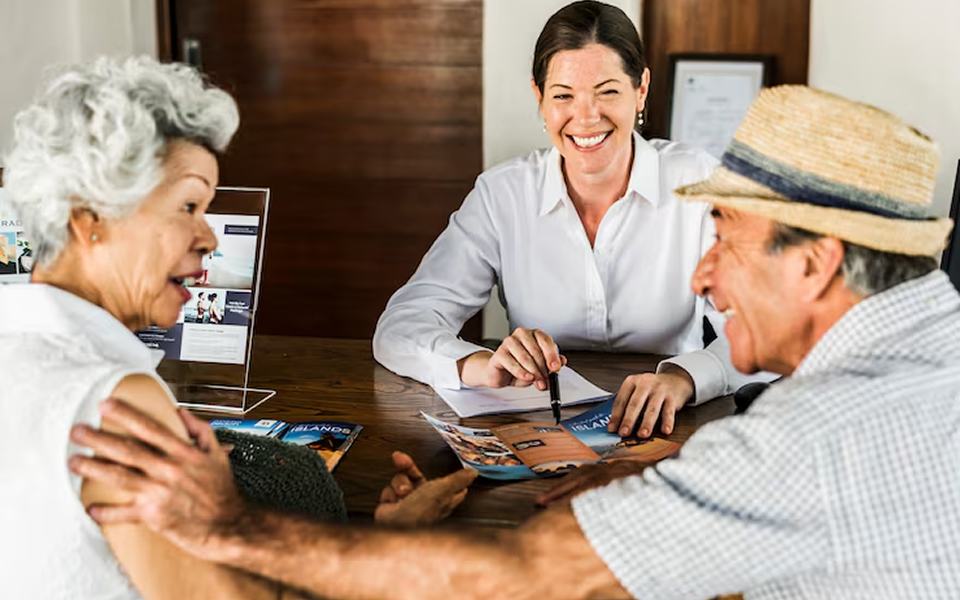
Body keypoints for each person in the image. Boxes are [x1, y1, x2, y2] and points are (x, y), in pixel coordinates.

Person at [70, 85, 960, 598]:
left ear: (818, 265)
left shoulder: (811, 442)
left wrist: (229, 524)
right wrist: (664, 476)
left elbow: (530, 573)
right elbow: (409, 320)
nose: (704, 274)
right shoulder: (933, 340)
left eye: (723, 235)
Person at [0, 56, 475, 600]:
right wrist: (392, 553)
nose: (210, 237)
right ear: (90, 219)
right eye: (187, 205)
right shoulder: (117, 405)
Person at [372, 0, 773, 439]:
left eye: (607, 92)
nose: (586, 117)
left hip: (674, 426)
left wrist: (685, 378)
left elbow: (765, 329)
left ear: (640, 91)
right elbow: (402, 326)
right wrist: (477, 365)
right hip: (540, 429)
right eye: (563, 95)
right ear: (539, 97)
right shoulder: (502, 194)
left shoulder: (700, 183)